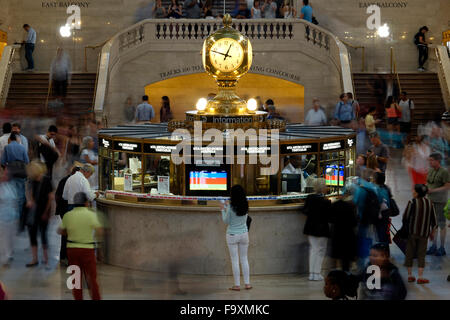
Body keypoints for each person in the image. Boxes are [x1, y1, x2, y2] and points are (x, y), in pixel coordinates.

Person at [58, 192, 103, 300]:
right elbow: (100, 231)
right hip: (87, 250)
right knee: (92, 279)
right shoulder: (91, 214)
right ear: (86, 203)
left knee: (76, 280)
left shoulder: (68, 215)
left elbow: (61, 231)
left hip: (72, 250)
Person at [403, 184, 437, 284]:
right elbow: (434, 221)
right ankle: (420, 276)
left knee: (410, 252)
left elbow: (405, 217)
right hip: (424, 234)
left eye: (414, 191)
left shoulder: (412, 202)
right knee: (421, 254)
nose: (412, 192)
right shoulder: (430, 203)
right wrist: (432, 233)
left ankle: (410, 275)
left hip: (412, 232)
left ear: (417, 193)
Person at [220, 185, 251, 291]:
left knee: (235, 260)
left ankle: (237, 285)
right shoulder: (245, 204)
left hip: (232, 235)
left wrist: (222, 209)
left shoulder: (230, 206)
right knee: (244, 259)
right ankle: (247, 284)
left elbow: (226, 221)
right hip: (244, 234)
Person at [24, 161, 54, 268]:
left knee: (43, 235)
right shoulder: (31, 180)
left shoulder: (46, 180)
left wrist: (47, 212)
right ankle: (35, 259)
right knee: (32, 235)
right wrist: (29, 200)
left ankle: (46, 260)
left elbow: (50, 198)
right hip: (34, 212)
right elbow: (29, 194)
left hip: (43, 212)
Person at [302, 178, 331, 281]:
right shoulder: (326, 201)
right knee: (321, 251)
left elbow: (304, 210)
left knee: (313, 250)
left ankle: (312, 273)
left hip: (310, 227)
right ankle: (317, 273)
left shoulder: (309, 197)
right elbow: (329, 216)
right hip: (322, 229)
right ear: (323, 188)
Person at [55, 166, 80, 265]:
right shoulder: (67, 181)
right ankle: (65, 257)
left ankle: (65, 257)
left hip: (64, 210)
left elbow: (57, 196)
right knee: (67, 234)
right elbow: (58, 196)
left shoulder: (66, 180)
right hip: (66, 210)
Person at [426, 153, 450, 256]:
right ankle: (434, 246)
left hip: (440, 201)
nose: (430, 162)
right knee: (433, 225)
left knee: (441, 224)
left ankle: (442, 247)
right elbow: (429, 183)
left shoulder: (444, 172)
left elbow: (447, 186)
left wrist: (433, 190)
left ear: (438, 161)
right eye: (429, 160)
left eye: (431, 160)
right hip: (430, 201)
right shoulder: (431, 170)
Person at [329, 198, 358, 272]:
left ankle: (335, 274)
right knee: (346, 260)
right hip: (348, 235)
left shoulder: (334, 206)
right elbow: (354, 222)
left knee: (336, 257)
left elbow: (330, 219)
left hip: (336, 234)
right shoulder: (350, 206)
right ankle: (346, 273)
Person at [0, 169, 20, 267]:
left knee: (10, 238)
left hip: (12, 216)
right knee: (4, 239)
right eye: (4, 175)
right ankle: (5, 258)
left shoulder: (11, 186)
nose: (6, 176)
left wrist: (17, 216)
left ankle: (9, 254)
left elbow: (15, 201)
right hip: (2, 217)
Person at [372, 172, 392, 244]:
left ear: (376, 180)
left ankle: (381, 250)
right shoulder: (386, 188)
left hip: (380, 215)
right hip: (386, 213)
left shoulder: (376, 189)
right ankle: (385, 250)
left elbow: (378, 202)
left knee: (380, 234)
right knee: (385, 232)